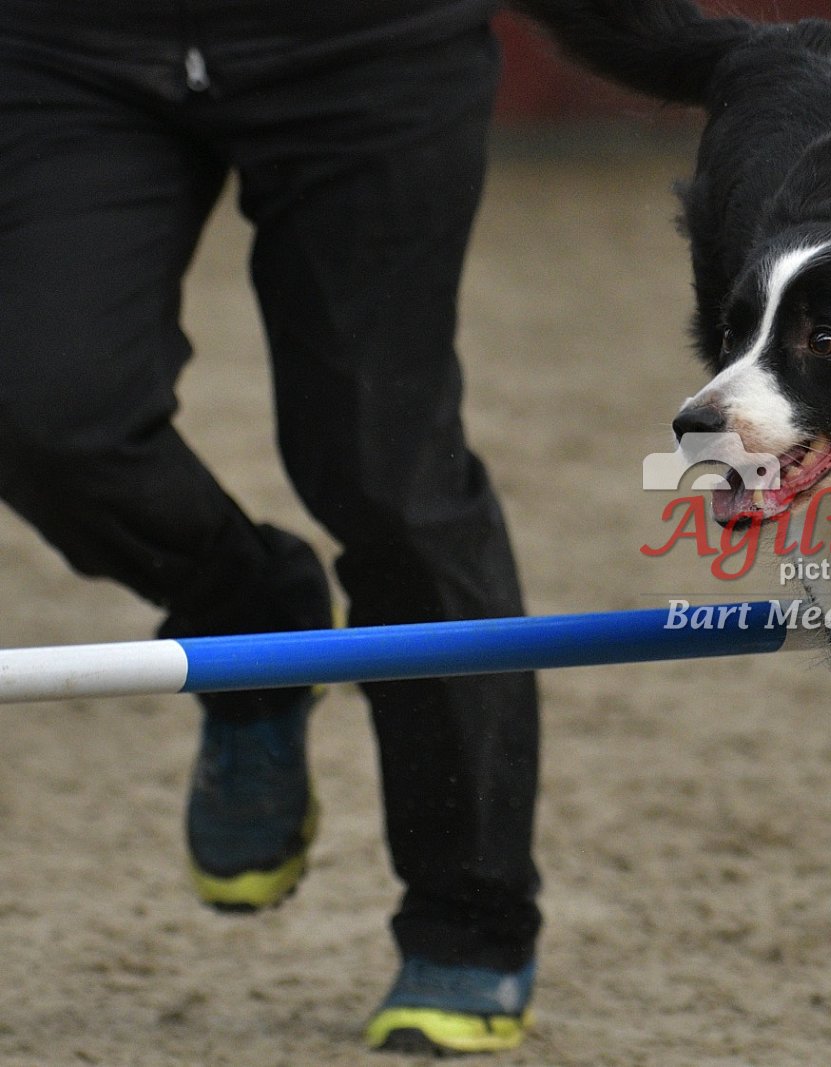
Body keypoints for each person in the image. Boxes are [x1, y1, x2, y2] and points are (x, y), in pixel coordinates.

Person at [0, 1, 541, 1054]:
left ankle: (470, 916)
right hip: (70, 44)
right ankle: (246, 619)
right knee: (44, 414)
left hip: (366, 43)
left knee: (386, 475)